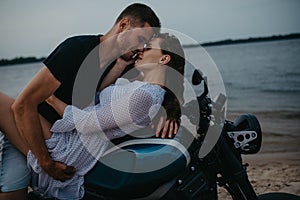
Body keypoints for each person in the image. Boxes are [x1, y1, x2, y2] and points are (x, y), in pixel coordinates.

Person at [0, 3, 163, 199]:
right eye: (140, 39)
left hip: (63, 140)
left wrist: (170, 113)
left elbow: (160, 85)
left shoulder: (124, 62)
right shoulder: (75, 49)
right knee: (13, 189)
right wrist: (45, 162)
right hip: (28, 130)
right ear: (124, 25)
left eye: (145, 44)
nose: (140, 48)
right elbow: (23, 105)